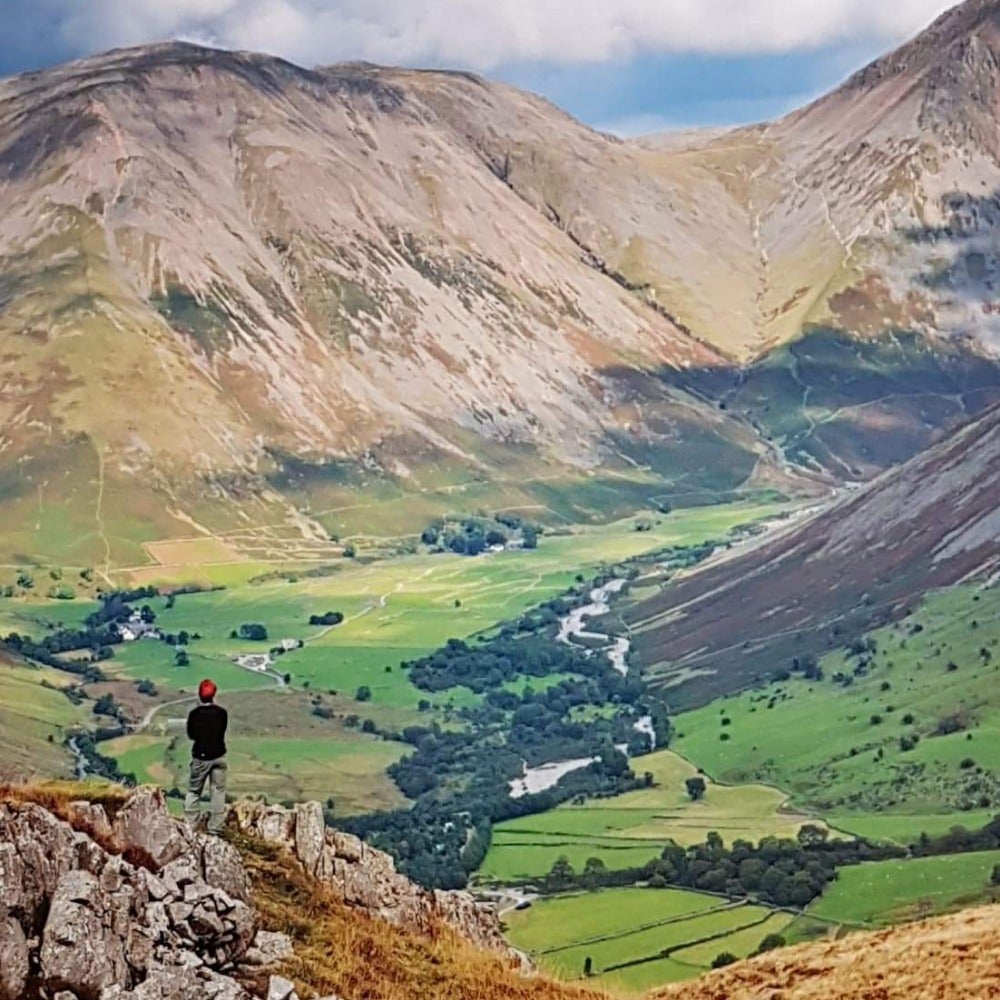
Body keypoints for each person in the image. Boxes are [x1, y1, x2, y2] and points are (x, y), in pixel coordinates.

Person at [185, 678, 228, 834]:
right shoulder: (222, 713)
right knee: (218, 791)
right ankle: (216, 827)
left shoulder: (194, 714)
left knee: (194, 791)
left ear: (199, 695)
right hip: (219, 755)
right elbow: (222, 730)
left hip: (201, 756)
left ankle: (190, 825)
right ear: (213, 695)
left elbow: (191, 735)